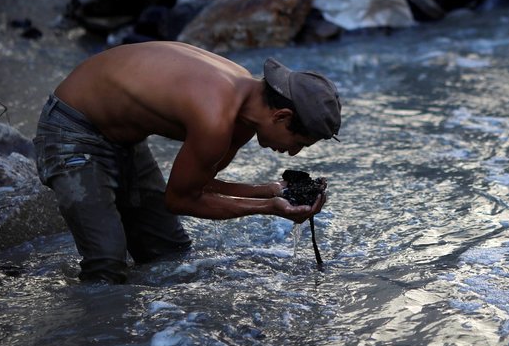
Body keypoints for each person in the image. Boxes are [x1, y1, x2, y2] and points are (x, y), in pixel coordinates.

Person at [33, 41, 341, 283]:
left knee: (168, 252)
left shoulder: (245, 109)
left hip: (123, 139)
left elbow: (200, 184)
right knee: (106, 267)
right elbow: (179, 200)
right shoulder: (216, 118)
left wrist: (272, 190)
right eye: (298, 143)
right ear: (281, 115)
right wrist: (270, 208)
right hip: (72, 127)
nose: (295, 154)